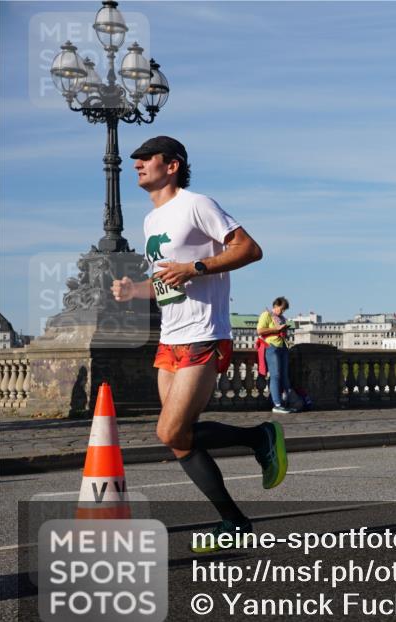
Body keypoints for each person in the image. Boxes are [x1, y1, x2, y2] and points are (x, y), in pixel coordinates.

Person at [111, 136, 288, 553]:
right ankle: (235, 520)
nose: (136, 164)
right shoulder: (151, 221)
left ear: (171, 166)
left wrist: (195, 267)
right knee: (178, 438)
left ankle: (259, 438)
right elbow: (168, 281)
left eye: (145, 158)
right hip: (170, 338)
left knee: (168, 428)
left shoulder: (197, 204)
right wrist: (136, 290)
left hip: (203, 332)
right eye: (134, 160)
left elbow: (249, 248)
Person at [257, 297, 295, 413]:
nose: (282, 312)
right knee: (275, 375)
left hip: (283, 346)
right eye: (282, 309)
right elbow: (260, 331)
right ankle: (277, 404)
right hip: (272, 347)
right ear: (276, 305)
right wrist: (276, 329)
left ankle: (285, 403)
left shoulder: (282, 318)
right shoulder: (266, 315)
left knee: (284, 376)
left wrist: (283, 330)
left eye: (284, 310)